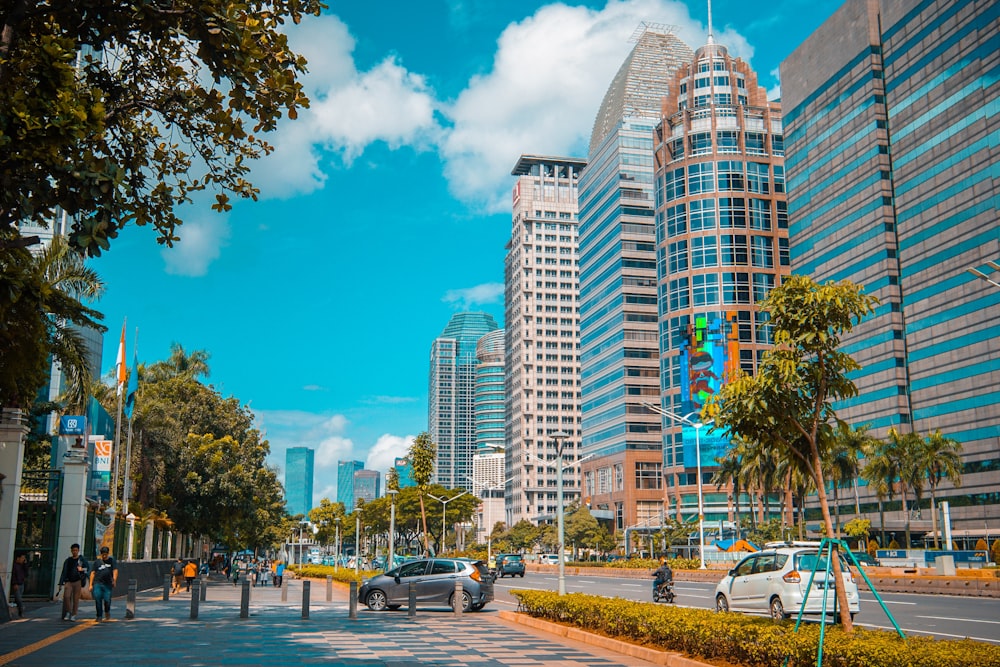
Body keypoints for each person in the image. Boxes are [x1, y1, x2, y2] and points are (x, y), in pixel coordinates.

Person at [57, 543, 89, 620]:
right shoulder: (68, 561)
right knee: (66, 596)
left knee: (76, 599)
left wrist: (82, 569)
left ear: (78, 551)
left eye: (76, 550)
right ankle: (68, 612)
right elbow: (64, 572)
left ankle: (74, 614)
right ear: (71, 551)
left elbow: (87, 568)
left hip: (78, 581)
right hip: (69, 581)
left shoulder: (82, 560)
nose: (74, 552)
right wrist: (61, 583)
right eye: (73, 550)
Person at [90, 546, 117, 622]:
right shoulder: (97, 562)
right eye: (103, 554)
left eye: (106, 554)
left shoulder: (112, 561)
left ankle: (107, 611)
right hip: (97, 583)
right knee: (98, 599)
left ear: (108, 554)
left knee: (107, 600)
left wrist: (114, 580)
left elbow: (115, 570)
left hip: (107, 584)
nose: (104, 556)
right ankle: (99, 616)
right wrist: (90, 584)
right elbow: (93, 573)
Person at [10, 553, 28, 619]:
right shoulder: (14, 566)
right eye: (22, 558)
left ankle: (16, 613)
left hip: (21, 583)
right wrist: (14, 583)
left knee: (18, 599)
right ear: (18, 558)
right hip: (17, 584)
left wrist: (25, 564)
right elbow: (13, 575)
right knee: (19, 599)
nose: (23, 560)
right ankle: (21, 612)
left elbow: (26, 573)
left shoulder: (22, 566)